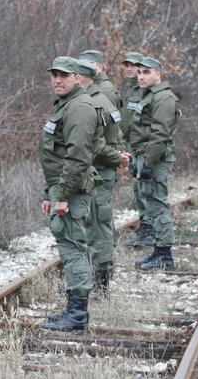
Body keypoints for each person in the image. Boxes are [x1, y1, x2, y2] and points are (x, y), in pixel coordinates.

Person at [39, 56, 103, 331]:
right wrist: (49, 193)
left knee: (73, 246)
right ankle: (72, 310)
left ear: (77, 77)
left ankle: (77, 316)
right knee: (70, 244)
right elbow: (56, 155)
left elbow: (78, 158)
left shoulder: (79, 107)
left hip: (72, 188)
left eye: (64, 75)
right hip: (62, 186)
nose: (57, 80)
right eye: (54, 75)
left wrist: (62, 195)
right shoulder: (67, 104)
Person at [74, 57, 131, 295]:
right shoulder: (99, 99)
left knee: (97, 225)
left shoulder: (95, 103)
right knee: (97, 224)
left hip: (97, 171)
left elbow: (94, 144)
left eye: (69, 76)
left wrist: (118, 157)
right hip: (99, 170)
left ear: (80, 78)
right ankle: (96, 278)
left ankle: (99, 282)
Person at [130, 56, 180, 270]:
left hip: (156, 157)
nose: (141, 76)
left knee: (158, 204)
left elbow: (159, 135)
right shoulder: (149, 96)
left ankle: (165, 256)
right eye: (139, 72)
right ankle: (159, 251)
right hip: (145, 155)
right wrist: (136, 161)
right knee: (151, 204)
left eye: (147, 72)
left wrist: (148, 163)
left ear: (158, 74)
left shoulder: (163, 98)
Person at [119, 52, 152, 246]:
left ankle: (149, 229)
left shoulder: (145, 90)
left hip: (143, 144)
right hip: (131, 144)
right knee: (138, 186)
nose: (130, 69)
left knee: (145, 187)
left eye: (134, 65)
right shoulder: (130, 90)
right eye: (127, 65)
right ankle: (145, 226)